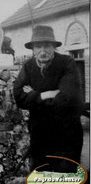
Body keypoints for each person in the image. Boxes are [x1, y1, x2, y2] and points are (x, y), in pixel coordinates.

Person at [13, 25, 83, 172]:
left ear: (54, 47)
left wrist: (33, 95)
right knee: (41, 177)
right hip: (39, 134)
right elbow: (19, 97)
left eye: (47, 46)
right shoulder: (28, 67)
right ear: (32, 49)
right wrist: (46, 94)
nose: (43, 51)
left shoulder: (67, 63)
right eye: (38, 46)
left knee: (65, 179)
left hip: (66, 132)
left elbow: (66, 99)